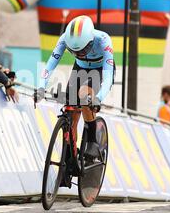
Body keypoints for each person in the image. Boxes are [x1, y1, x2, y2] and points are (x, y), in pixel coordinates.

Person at [34, 15, 115, 159]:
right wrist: (40, 87)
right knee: (71, 110)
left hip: (100, 69)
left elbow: (108, 77)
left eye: (82, 51)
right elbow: (50, 65)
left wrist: (98, 98)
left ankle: (92, 141)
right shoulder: (65, 38)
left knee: (84, 96)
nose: (79, 54)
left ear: (90, 41)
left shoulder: (103, 40)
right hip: (80, 68)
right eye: (74, 52)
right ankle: (70, 153)